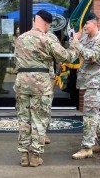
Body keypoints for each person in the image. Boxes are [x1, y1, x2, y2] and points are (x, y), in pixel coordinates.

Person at [13, 10, 80, 167]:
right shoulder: (47, 39)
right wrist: (75, 42)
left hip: (22, 82)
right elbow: (68, 57)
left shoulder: (20, 38)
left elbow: (16, 61)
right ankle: (35, 156)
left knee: (24, 119)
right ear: (47, 23)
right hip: (40, 83)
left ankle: (24, 155)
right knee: (39, 119)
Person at [71, 12, 100, 160]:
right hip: (89, 83)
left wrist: (77, 43)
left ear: (94, 23)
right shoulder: (86, 39)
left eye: (86, 24)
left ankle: (87, 147)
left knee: (89, 115)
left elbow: (92, 56)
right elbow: (77, 52)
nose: (84, 27)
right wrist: (74, 41)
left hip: (96, 83)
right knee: (98, 113)